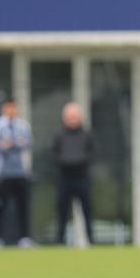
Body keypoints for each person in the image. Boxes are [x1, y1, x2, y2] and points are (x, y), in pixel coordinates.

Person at [0, 96, 34, 248]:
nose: (11, 110)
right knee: (0, 207)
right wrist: (15, 143)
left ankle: (25, 237)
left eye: (13, 107)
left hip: (21, 173)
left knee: (23, 206)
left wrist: (10, 143)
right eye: (8, 107)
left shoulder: (23, 125)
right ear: (4, 108)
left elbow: (27, 143)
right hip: (3, 173)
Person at [52, 101, 94, 245]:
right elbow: (54, 154)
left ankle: (91, 239)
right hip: (64, 178)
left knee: (87, 210)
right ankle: (60, 240)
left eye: (74, 116)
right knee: (62, 211)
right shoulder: (59, 135)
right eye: (70, 117)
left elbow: (91, 153)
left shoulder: (86, 135)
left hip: (82, 178)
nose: (72, 119)